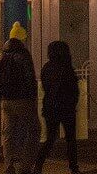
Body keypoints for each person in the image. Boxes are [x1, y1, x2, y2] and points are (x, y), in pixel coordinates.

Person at [0, 22, 38, 174]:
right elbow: (29, 78)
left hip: (6, 100)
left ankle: (8, 166)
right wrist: (33, 97)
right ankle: (25, 166)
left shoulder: (1, 56)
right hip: (23, 99)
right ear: (21, 39)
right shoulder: (23, 55)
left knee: (7, 134)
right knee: (33, 130)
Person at [34, 40, 80, 174]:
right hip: (66, 107)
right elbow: (73, 88)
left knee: (50, 138)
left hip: (51, 107)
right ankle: (73, 166)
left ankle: (38, 164)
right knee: (71, 139)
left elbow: (46, 87)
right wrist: (73, 102)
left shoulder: (47, 67)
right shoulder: (66, 67)